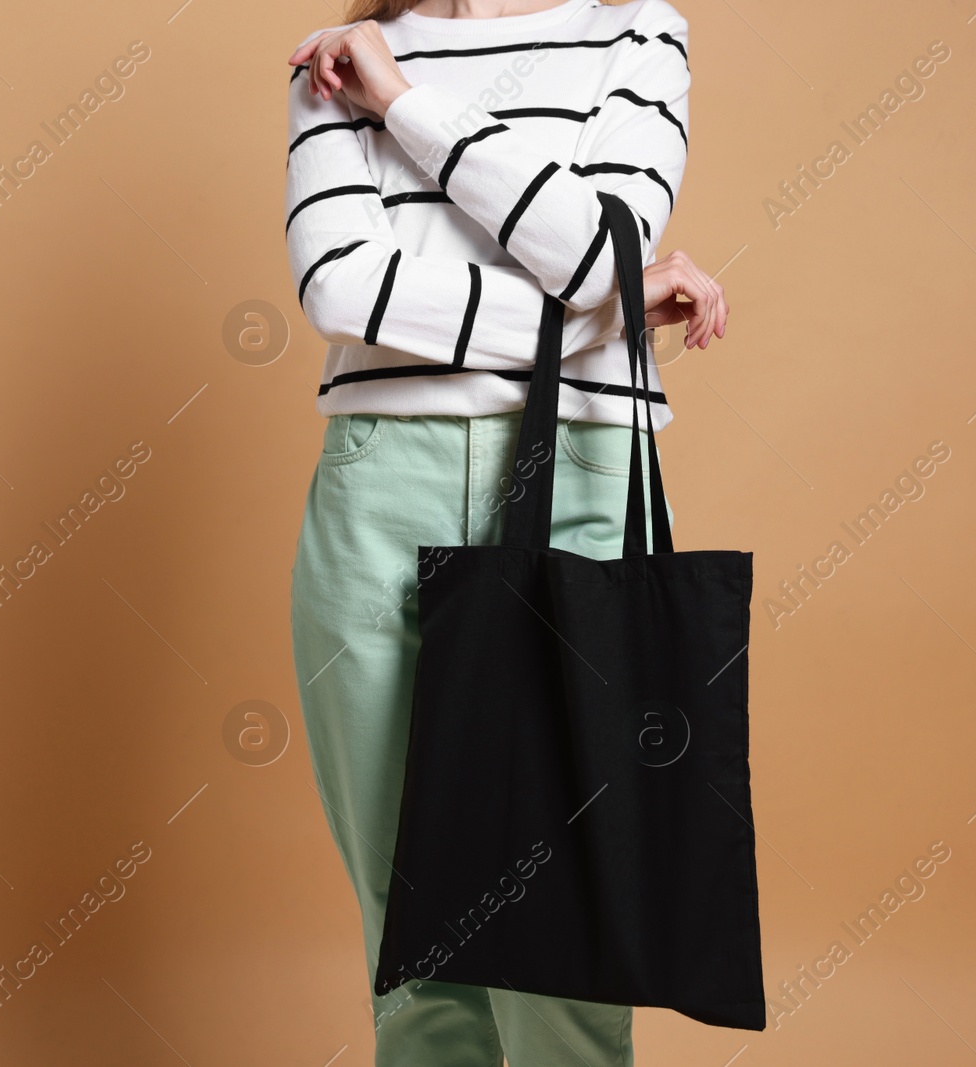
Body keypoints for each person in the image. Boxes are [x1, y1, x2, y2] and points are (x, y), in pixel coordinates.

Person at [284, 1, 725, 1063]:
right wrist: (604, 307)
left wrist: (405, 102)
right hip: (378, 491)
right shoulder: (336, 59)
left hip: (575, 475)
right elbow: (342, 286)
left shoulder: (632, 34)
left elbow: (592, 248)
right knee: (413, 937)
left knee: (568, 932)